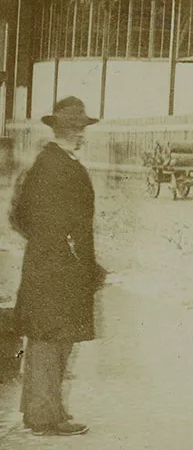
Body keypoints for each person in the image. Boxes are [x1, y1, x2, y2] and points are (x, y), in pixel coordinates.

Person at [9, 97, 106, 436]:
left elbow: (18, 216)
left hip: (45, 265)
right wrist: (73, 256)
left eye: (80, 129)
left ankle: (44, 412)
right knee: (51, 342)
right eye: (77, 129)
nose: (81, 135)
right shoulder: (63, 166)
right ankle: (44, 417)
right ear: (67, 131)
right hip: (63, 269)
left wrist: (43, 244)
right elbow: (77, 226)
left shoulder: (43, 163)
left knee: (47, 340)